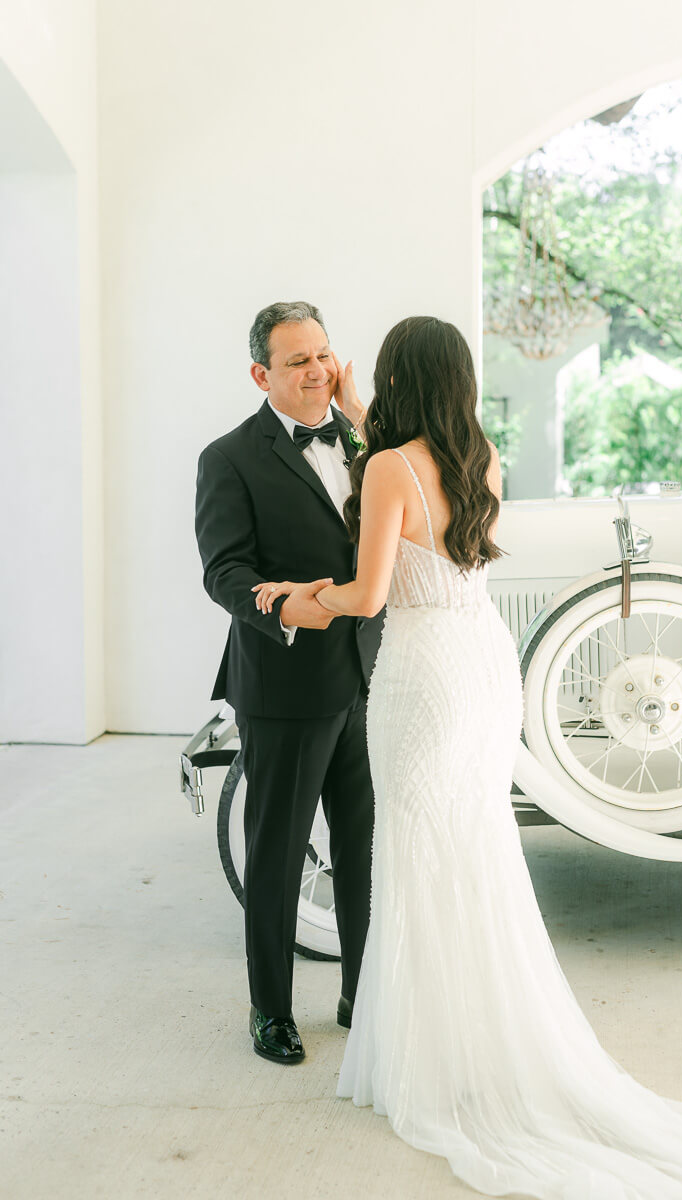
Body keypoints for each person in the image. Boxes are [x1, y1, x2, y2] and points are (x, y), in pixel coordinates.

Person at [254, 314, 682, 1197]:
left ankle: (425, 1060)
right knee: (471, 848)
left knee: (416, 852)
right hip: (482, 664)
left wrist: (290, 596)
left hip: (423, 669)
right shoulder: (483, 456)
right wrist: (362, 411)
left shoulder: (388, 468)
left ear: (393, 378)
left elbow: (366, 595)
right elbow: (416, 500)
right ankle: (469, 1039)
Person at [195, 301, 383, 1065]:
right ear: (260, 374)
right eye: (299, 360)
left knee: (364, 852)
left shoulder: (368, 444)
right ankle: (270, 1010)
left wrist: (359, 413)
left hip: (367, 678)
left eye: (325, 355)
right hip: (282, 682)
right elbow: (224, 571)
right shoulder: (228, 457)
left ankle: (359, 994)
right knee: (275, 856)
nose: (316, 371)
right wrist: (283, 607)